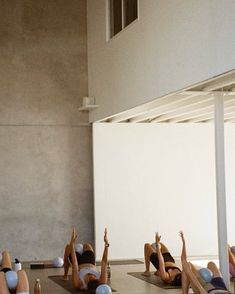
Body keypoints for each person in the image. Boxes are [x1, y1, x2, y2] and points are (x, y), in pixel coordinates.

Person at [63, 228, 109, 292]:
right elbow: (104, 262)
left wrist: (72, 244)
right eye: (94, 276)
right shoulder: (102, 281)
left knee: (68, 247)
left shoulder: (78, 284)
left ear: (86, 283)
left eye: (89, 277)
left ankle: (65, 275)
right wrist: (106, 244)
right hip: (91, 262)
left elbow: (75, 265)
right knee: (87, 245)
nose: (91, 275)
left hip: (79, 262)